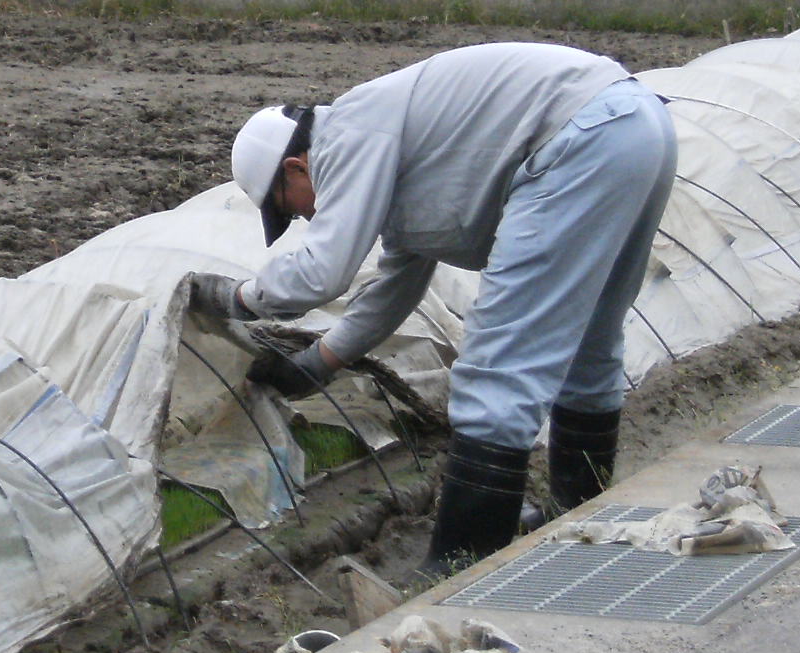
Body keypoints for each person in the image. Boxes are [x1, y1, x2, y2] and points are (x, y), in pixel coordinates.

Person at [189, 43, 677, 566]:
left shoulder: (349, 135)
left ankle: (463, 561)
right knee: (590, 342)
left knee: (497, 368)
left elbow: (323, 271)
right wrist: (318, 364)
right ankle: (580, 518)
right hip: (636, 126)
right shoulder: (391, 149)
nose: (306, 219)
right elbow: (397, 283)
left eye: (291, 209)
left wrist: (237, 299)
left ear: (296, 167)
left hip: (580, 139)